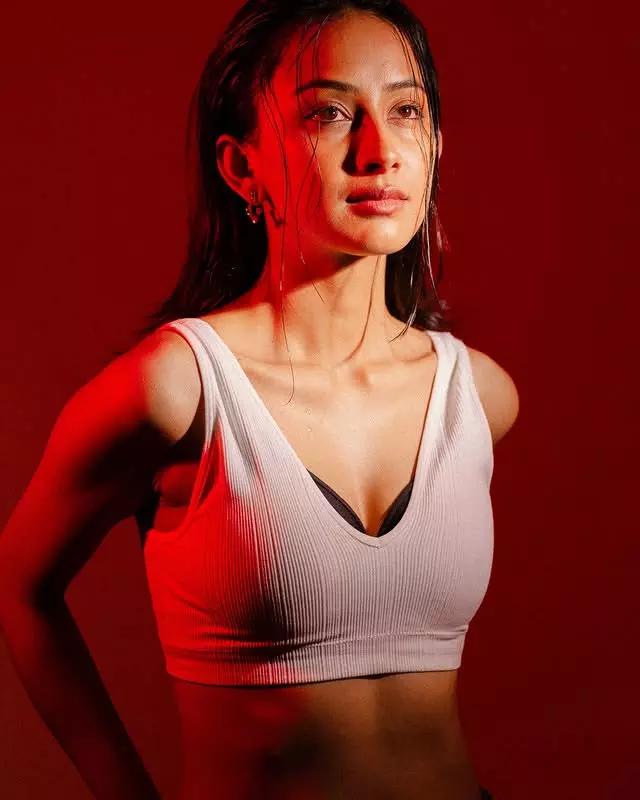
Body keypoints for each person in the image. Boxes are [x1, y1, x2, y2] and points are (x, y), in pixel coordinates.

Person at [0, 0, 519, 797]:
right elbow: (20, 587)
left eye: (406, 111)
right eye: (329, 114)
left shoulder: (478, 396)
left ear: (435, 144)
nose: (379, 152)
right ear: (242, 168)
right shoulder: (176, 389)